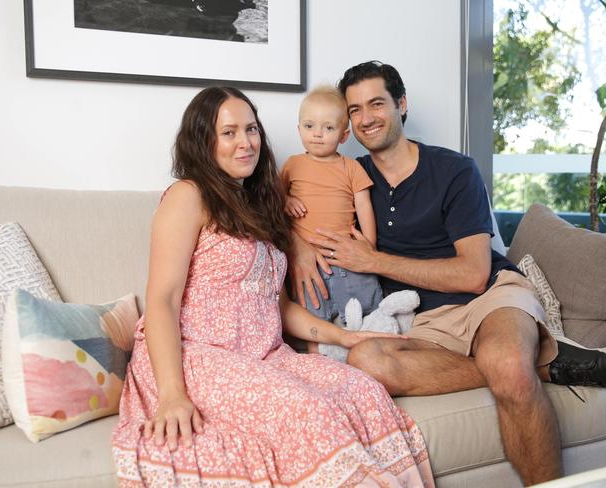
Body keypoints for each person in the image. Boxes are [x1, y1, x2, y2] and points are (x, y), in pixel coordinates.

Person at [288, 61, 606, 486]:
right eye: (355, 108)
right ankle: (546, 364)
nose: (366, 117)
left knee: (508, 366)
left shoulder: (454, 170)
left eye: (377, 103)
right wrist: (298, 247)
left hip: (489, 298)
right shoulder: (350, 175)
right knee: (366, 360)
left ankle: (520, 365)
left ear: (402, 105)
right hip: (421, 321)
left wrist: (375, 261)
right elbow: (296, 212)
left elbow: (474, 274)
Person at [111, 86, 435, 487]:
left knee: (362, 390)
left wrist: (346, 338)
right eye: (229, 132)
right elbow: (162, 301)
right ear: (202, 139)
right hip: (197, 355)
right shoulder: (188, 195)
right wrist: (172, 393)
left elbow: (278, 309)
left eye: (251, 129)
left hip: (263, 355)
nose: (246, 142)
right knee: (307, 410)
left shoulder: (259, 207)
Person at [281, 86, 382, 349]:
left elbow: (364, 206)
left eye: (328, 128)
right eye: (309, 125)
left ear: (344, 135)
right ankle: (317, 359)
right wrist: (286, 199)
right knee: (312, 312)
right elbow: (271, 201)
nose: (317, 134)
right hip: (307, 260)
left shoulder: (351, 167)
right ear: (299, 128)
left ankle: (368, 344)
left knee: (365, 309)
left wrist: (368, 244)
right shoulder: (292, 165)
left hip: (345, 255)